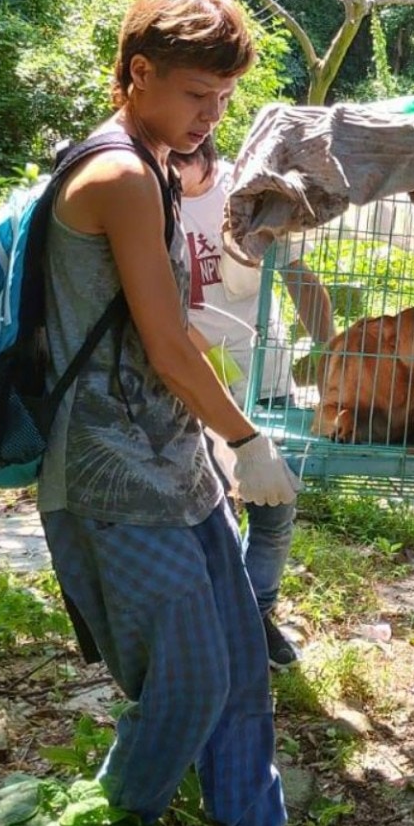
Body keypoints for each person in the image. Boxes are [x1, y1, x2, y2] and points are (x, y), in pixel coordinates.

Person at [37, 0, 352, 826]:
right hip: (108, 475)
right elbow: (168, 342)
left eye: (223, 99)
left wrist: (219, 440)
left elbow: (159, 330)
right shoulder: (121, 175)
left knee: (241, 664)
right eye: (195, 95)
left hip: (173, 459)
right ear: (137, 73)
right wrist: (250, 441)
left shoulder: (158, 161)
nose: (212, 117)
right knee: (188, 677)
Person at [171, 135, 335, 670]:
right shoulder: (147, 198)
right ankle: (217, 624)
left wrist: (331, 351)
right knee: (207, 511)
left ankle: (256, 617)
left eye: (181, 163)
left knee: (274, 509)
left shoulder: (245, 196)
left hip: (265, 380)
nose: (171, 175)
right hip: (193, 386)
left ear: (206, 154)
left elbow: (300, 278)